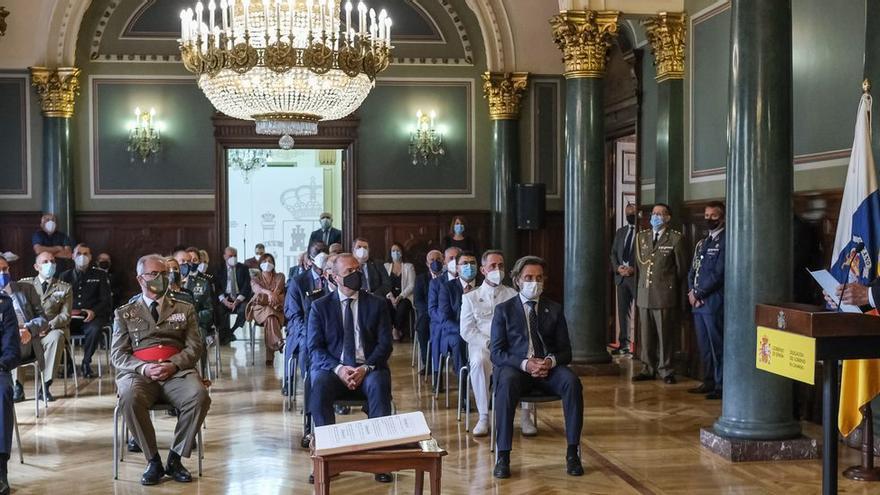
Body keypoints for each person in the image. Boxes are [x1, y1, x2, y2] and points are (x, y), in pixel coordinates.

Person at [111, 254, 211, 486]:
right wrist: (144, 368)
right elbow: (118, 354)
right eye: (154, 274)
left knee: (199, 396)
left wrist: (174, 364)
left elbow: (195, 345)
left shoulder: (184, 309)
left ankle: (175, 458)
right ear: (140, 279)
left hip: (177, 372)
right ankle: (153, 460)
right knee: (128, 396)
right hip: (140, 374)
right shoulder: (125, 313)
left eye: (165, 273)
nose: (161, 278)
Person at [490, 255, 584, 479]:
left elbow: (566, 351)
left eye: (539, 278)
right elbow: (497, 352)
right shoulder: (503, 310)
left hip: (548, 368)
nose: (534, 282)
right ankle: (503, 455)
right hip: (517, 369)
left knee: (572, 382)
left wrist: (549, 361)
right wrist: (525, 363)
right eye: (529, 277)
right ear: (517, 281)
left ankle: (573, 453)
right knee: (506, 383)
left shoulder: (554, 309)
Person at [307, 253, 393, 483]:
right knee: (318, 386)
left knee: (379, 384)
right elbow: (314, 348)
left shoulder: (377, 304)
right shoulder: (320, 307)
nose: (356, 275)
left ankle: (380, 460)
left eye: (358, 269)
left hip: (368, 369)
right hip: (334, 372)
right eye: (349, 272)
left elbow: (385, 344)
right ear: (334, 277)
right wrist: (339, 369)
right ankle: (328, 459)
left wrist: (365, 368)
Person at [459, 249, 536, 437]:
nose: (497, 269)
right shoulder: (470, 298)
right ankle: (484, 416)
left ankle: (526, 415)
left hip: (511, 347)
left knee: (530, 357)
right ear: (483, 270)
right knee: (478, 362)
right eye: (492, 265)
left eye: (500, 265)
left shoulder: (513, 295)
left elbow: (522, 325)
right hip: (484, 347)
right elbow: (467, 330)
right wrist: (488, 343)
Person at [633, 203, 686, 385]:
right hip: (644, 293)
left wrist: (668, 286)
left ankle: (666, 369)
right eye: (654, 213)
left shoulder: (675, 239)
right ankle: (647, 368)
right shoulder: (642, 237)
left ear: (668, 218)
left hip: (664, 295)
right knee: (646, 336)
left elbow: (681, 269)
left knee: (665, 335)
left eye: (660, 214)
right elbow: (640, 266)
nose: (656, 217)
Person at [687, 202, 726, 400]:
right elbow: (693, 269)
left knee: (716, 345)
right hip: (698, 303)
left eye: (713, 215)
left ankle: (720, 385)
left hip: (713, 303)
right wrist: (691, 292)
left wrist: (699, 294)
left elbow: (719, 274)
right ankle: (708, 380)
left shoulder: (725, 241)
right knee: (704, 346)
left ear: (723, 218)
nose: (709, 219)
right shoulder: (702, 242)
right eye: (706, 215)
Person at [21, 252, 70, 399]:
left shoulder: (64, 288)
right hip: (29, 330)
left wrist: (47, 326)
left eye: (52, 261)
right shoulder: (24, 284)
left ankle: (45, 386)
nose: (50, 264)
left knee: (58, 337)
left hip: (50, 331)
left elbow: (65, 316)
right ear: (36, 266)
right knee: (16, 336)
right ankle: (18, 386)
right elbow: (17, 310)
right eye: (45, 262)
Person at [59, 243, 112, 379]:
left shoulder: (99, 275)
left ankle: (86, 363)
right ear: (72, 256)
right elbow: (58, 300)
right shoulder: (65, 276)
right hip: (70, 318)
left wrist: (93, 311)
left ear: (90, 257)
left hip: (92, 318)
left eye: (85, 254)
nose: (82, 257)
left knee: (94, 329)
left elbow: (106, 300)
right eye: (79, 254)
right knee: (57, 330)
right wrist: (66, 312)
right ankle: (68, 363)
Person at [0, 257, 48, 402]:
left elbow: (43, 319)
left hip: (25, 339)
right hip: (4, 342)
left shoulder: (26, 289)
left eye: (4, 269)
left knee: (14, 344)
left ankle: (17, 386)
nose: (2, 273)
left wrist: (28, 328)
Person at [284, 243, 328, 392]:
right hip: (303, 329)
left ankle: (336, 392)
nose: (322, 255)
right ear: (309, 259)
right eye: (317, 252)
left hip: (328, 328)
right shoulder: (298, 282)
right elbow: (294, 314)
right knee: (306, 345)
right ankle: (310, 391)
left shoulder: (333, 278)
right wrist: (309, 333)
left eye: (324, 252)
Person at [436, 251, 478, 388]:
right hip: (455, 332)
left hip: (481, 331)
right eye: (465, 263)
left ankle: (490, 391)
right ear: (457, 268)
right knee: (460, 342)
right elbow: (444, 319)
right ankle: (464, 392)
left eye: (472, 263)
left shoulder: (483, 286)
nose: (469, 266)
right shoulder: (447, 287)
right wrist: (465, 331)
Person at [246, 253, 286, 366]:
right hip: (260, 309)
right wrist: (269, 293)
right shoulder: (255, 279)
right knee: (269, 312)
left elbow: (278, 289)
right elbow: (257, 290)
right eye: (264, 262)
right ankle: (277, 342)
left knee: (270, 317)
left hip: (276, 309)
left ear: (273, 264)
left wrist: (267, 296)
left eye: (270, 261)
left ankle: (274, 349)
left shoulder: (280, 276)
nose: (267, 264)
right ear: (260, 264)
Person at [0, 291, 22, 495]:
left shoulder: (3, 304)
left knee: (3, 391)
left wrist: (2, 363)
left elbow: (12, 347)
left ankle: (0, 468)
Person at [609, 203, 638, 356]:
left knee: (640, 313)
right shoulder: (621, 232)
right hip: (621, 277)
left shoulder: (643, 232)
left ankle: (639, 345)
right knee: (623, 312)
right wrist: (618, 268)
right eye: (628, 213)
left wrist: (634, 268)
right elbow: (613, 253)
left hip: (636, 278)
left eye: (632, 212)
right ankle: (624, 344)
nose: (630, 215)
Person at [429, 246, 460, 379]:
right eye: (450, 258)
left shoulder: (467, 281)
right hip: (442, 322)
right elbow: (432, 309)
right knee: (439, 331)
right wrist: (446, 319)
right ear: (445, 262)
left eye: (456, 258)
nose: (454, 261)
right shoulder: (436, 283)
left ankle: (463, 373)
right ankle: (437, 374)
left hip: (463, 322)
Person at [214, 247, 253, 345]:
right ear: (224, 257)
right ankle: (224, 334)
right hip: (226, 298)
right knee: (219, 310)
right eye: (230, 256)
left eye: (235, 256)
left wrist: (238, 300)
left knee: (245, 309)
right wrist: (224, 301)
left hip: (240, 298)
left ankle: (231, 331)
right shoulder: (219, 269)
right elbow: (217, 287)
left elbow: (246, 286)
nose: (233, 258)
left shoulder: (243, 268)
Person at [413, 250, 442, 374]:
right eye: (432, 260)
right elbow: (417, 301)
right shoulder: (421, 279)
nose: (435, 262)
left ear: (443, 261)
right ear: (427, 263)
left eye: (438, 259)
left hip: (444, 313)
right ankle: (428, 364)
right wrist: (432, 312)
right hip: (427, 314)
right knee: (422, 325)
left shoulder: (449, 278)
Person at [384, 243, 415, 342]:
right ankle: (393, 329)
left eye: (398, 251)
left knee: (403, 307)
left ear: (402, 252)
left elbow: (411, 285)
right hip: (389, 296)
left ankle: (396, 329)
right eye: (393, 251)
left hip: (405, 296)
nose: (395, 253)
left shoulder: (408, 266)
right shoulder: (386, 266)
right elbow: (384, 284)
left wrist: (400, 296)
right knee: (385, 305)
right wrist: (391, 297)